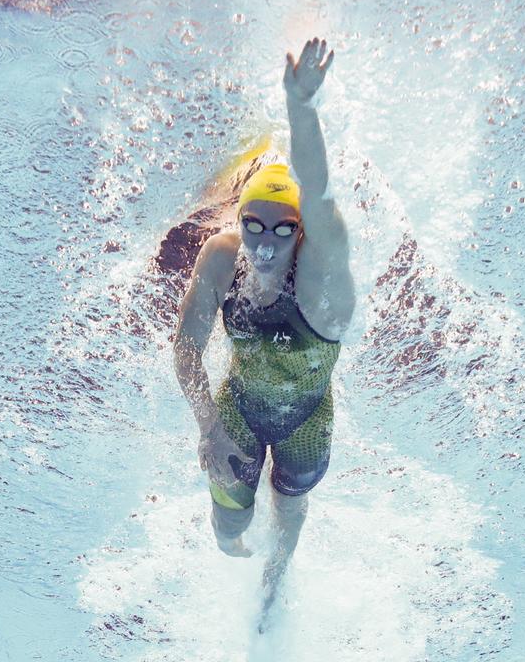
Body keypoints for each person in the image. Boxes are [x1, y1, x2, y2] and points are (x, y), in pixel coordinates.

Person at [173, 38, 355, 623]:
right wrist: (208, 428)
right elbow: (186, 348)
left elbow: (320, 192)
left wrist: (300, 105)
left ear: (301, 231)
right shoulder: (224, 256)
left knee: (290, 505)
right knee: (228, 520)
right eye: (253, 224)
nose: (264, 241)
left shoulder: (322, 278)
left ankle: (275, 582)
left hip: (306, 419)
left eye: (281, 228)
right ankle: (233, 546)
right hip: (239, 409)